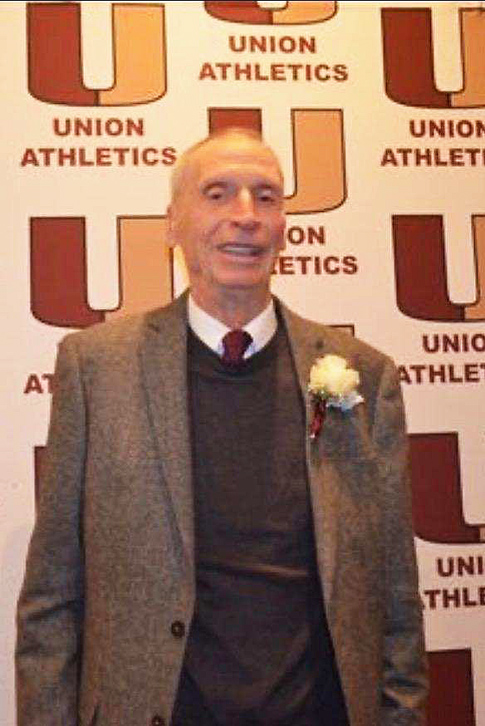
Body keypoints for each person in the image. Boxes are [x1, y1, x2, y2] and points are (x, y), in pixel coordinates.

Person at [16, 128, 428, 726]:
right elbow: (52, 592)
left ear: (284, 225)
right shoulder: (96, 369)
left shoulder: (364, 374)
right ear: (173, 223)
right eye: (217, 194)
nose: (246, 216)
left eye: (266, 196)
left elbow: (395, 590)